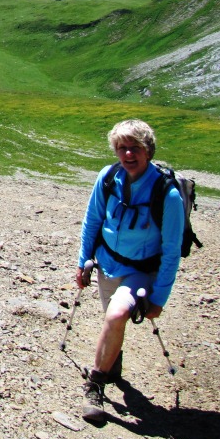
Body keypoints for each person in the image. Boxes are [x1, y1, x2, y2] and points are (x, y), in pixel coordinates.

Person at [75, 119, 184, 423]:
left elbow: (171, 251)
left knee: (115, 315)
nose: (127, 154)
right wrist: (83, 261)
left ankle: (94, 385)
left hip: (140, 271)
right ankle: (112, 363)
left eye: (134, 148)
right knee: (112, 318)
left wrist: (159, 298)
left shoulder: (168, 194)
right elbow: (92, 221)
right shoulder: (108, 178)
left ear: (147, 150)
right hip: (106, 263)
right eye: (121, 148)